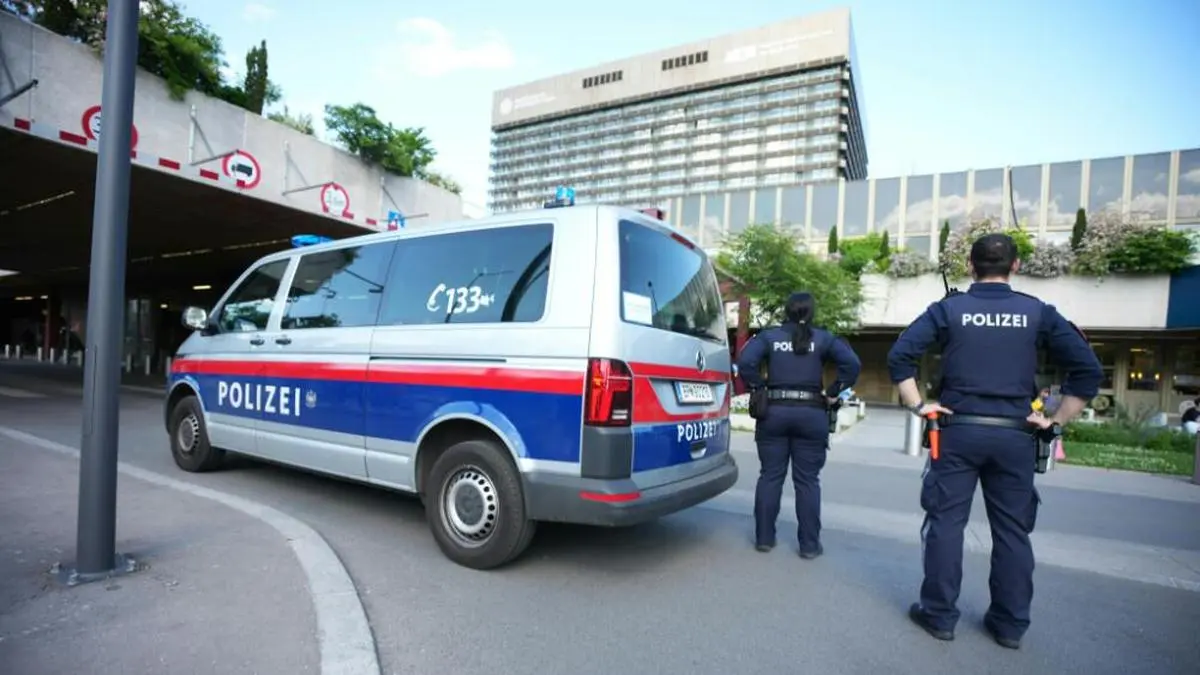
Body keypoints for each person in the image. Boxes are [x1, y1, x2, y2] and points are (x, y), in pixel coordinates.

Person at [886, 233, 1102, 650]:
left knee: (946, 523)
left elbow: (900, 356)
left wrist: (920, 407)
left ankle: (939, 615)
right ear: (1015, 266)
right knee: (1012, 531)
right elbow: (1088, 371)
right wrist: (1054, 421)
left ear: (970, 265)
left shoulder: (948, 309)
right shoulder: (1037, 312)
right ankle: (1009, 625)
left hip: (957, 432)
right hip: (1015, 435)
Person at [736, 292, 862, 558]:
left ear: (787, 311)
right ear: (811, 312)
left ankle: (764, 539)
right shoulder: (824, 338)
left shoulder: (769, 337)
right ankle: (809, 546)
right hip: (811, 414)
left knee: (770, 476)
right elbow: (852, 364)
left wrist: (759, 386)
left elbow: (745, 362)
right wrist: (833, 391)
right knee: (807, 481)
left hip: (773, 413)